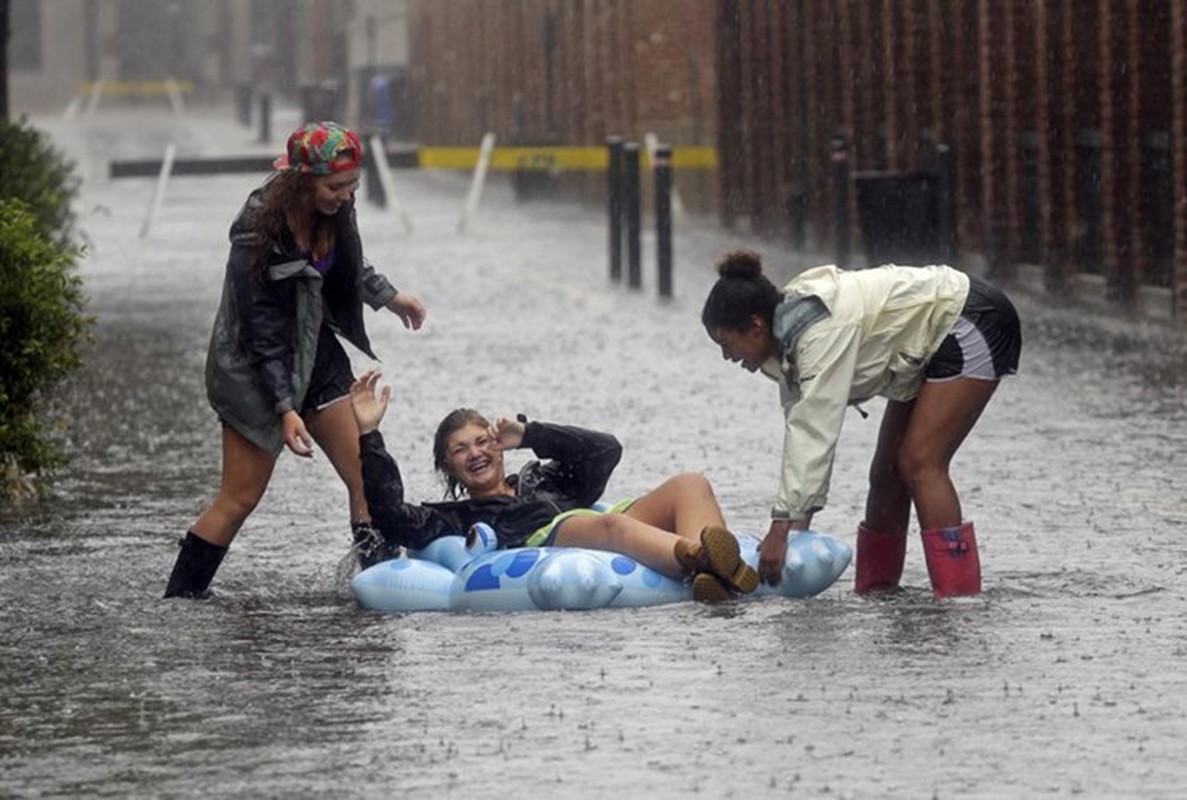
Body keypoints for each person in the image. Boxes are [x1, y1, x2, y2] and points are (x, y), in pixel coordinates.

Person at [164, 122, 427, 598]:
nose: (346, 197)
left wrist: (388, 296)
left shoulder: (336, 209)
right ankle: (180, 601)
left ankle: (383, 592)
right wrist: (285, 408)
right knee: (240, 497)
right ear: (301, 180)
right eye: (334, 187)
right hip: (254, 370)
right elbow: (261, 331)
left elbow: (349, 264)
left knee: (366, 478)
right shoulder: (256, 230)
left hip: (317, 355)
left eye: (353, 186)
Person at [701, 251, 1021, 598]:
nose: (727, 357)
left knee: (920, 463)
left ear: (756, 326)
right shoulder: (787, 336)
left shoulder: (817, 334)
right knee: (886, 472)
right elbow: (801, 437)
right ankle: (876, 593)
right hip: (924, 344)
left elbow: (813, 433)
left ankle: (958, 600)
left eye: (726, 344)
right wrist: (794, 531)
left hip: (968, 321)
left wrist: (779, 532)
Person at [349, 370, 759, 604]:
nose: (475, 453)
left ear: (498, 445)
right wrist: (369, 434)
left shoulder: (539, 478)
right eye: (460, 450)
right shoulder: (452, 518)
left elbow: (605, 451)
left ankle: (713, 577)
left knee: (690, 483)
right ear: (447, 466)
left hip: (590, 520)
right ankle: (703, 560)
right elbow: (389, 514)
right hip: (549, 538)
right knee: (609, 528)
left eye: (482, 441)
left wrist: (529, 433)